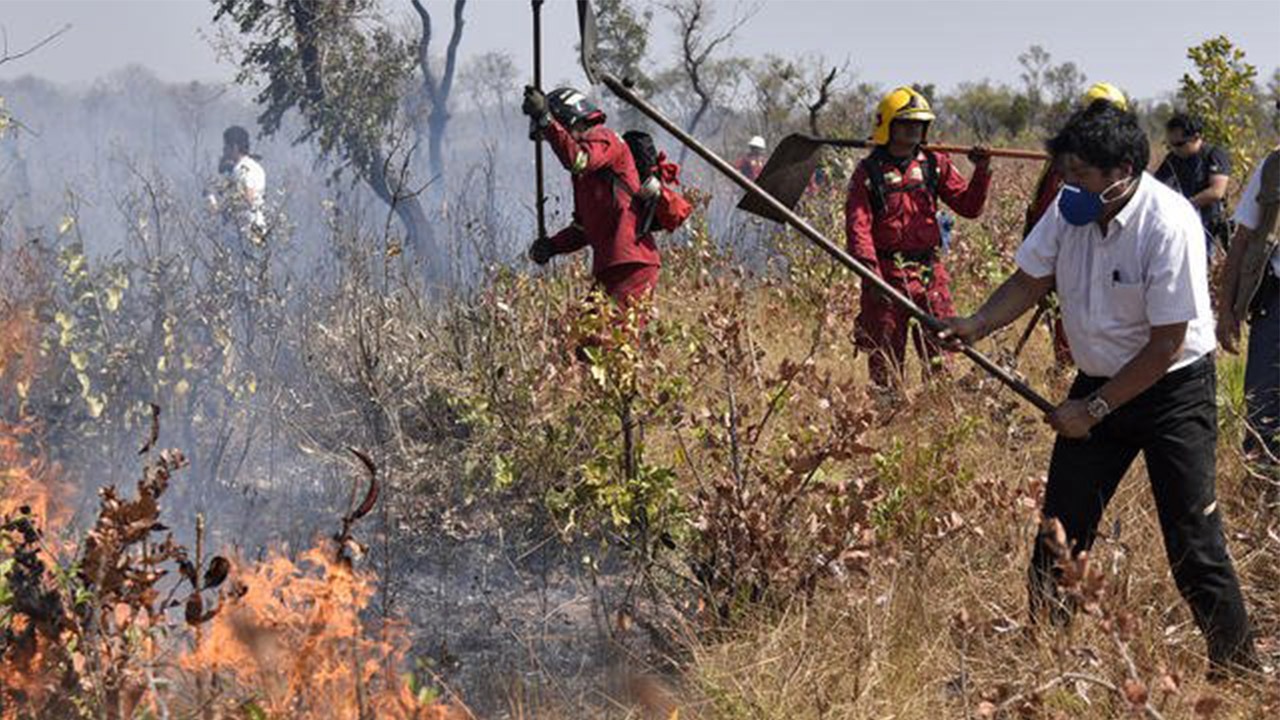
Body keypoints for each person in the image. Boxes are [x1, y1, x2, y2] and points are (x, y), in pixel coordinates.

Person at [941, 103, 1258, 676]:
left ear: (1124, 170)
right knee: (1060, 531)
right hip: (1098, 382)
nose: (1069, 187)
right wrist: (976, 324)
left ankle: (1237, 670)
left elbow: (1165, 345)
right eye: (1065, 174)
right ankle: (1045, 661)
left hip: (1171, 390)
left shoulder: (1170, 224)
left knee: (1194, 542)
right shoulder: (1069, 211)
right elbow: (1030, 279)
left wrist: (1094, 409)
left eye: (1081, 175)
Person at [845, 86, 991, 388]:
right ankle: (887, 413)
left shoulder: (935, 163)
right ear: (888, 125)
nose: (913, 129)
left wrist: (982, 171)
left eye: (919, 123)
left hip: (929, 273)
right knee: (884, 354)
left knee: (940, 348)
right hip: (885, 275)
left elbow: (969, 206)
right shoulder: (868, 172)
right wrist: (871, 276)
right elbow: (858, 226)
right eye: (906, 123)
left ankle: (937, 408)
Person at [521, 86, 661, 320]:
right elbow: (583, 229)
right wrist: (553, 246)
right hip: (612, 266)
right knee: (585, 347)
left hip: (632, 262)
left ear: (568, 120)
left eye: (556, 133)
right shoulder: (583, 176)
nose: (554, 142)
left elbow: (578, 159)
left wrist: (545, 120)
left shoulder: (602, 138)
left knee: (609, 344)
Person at [1023, 81, 1129, 367]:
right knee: (1069, 342)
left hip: (1112, 272)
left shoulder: (1125, 172)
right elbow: (1045, 215)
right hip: (1069, 266)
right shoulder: (1065, 167)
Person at [1217, 144, 1279, 482]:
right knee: (1263, 411)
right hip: (1275, 302)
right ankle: (1258, 501)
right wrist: (1226, 310)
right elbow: (1241, 240)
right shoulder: (1272, 167)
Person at [1155, 113, 1232, 255]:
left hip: (1210, 225)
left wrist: (1185, 206)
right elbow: (1156, 186)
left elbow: (1217, 191)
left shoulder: (1214, 155)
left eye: (1179, 144)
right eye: (1171, 145)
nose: (1175, 149)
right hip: (1184, 223)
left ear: (1196, 137)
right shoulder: (1173, 159)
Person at [211, 125, 267, 241]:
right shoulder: (255, 167)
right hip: (255, 228)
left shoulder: (242, 169)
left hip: (245, 232)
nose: (223, 150)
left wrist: (221, 208)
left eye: (226, 146)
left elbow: (248, 198)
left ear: (234, 147)